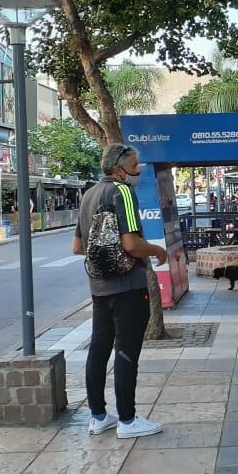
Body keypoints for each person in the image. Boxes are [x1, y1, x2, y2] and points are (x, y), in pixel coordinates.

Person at [72, 143, 168, 439]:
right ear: (119, 167)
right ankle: (127, 420)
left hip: (99, 288)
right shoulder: (123, 192)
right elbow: (131, 244)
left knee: (99, 350)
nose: (139, 170)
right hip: (128, 285)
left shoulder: (88, 194)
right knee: (127, 351)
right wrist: (156, 251)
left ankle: (98, 416)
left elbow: (78, 247)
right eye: (135, 165)